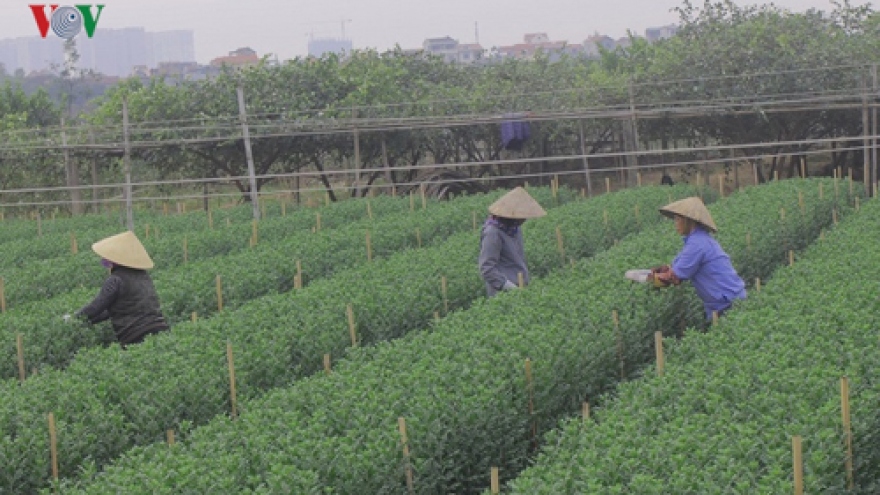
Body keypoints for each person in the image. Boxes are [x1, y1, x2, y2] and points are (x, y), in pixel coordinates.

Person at [649, 196, 746, 322]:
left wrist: (651, 278)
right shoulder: (697, 241)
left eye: (678, 219)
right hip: (724, 302)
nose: (675, 224)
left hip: (728, 303)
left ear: (688, 221)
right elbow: (675, 267)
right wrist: (662, 270)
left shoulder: (697, 244)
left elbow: (676, 276)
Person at [68, 230, 170, 347]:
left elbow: (97, 306)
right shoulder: (143, 276)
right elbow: (112, 310)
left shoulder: (116, 280)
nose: (106, 266)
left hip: (135, 336)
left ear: (116, 262)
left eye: (107, 262)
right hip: (160, 330)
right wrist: (86, 321)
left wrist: (73, 319)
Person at [479, 186, 547, 297]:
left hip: (520, 286)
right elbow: (487, 268)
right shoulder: (493, 233)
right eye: (522, 216)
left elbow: (516, 260)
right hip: (502, 293)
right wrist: (509, 287)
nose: (524, 219)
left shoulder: (514, 229)